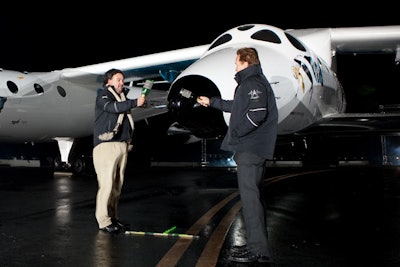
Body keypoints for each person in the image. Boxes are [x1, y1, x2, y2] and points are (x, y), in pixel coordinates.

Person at [197, 47, 278, 263]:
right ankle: (254, 246)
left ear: (245, 61)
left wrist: (236, 132)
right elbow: (238, 106)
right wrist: (212, 102)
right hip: (252, 149)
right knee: (252, 199)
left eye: (236, 61)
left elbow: (257, 114)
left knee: (251, 201)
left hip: (251, 150)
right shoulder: (252, 81)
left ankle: (258, 251)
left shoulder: (252, 83)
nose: (234, 65)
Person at [92, 68, 145, 233]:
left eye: (122, 80)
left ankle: (113, 218)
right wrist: (135, 102)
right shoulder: (103, 96)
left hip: (121, 146)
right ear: (109, 81)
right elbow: (112, 107)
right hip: (106, 146)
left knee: (116, 186)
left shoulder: (123, 98)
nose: (121, 82)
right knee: (106, 185)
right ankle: (104, 221)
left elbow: (124, 114)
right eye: (118, 79)